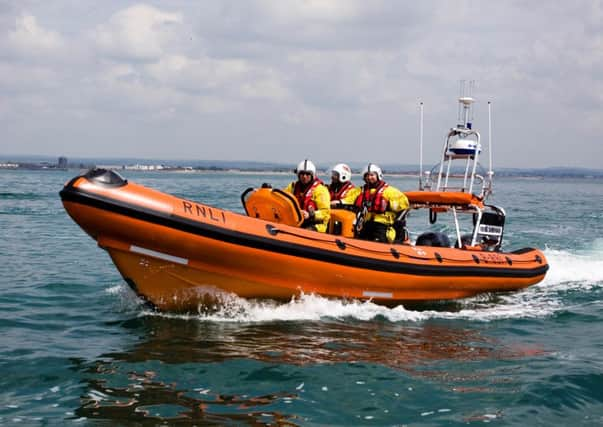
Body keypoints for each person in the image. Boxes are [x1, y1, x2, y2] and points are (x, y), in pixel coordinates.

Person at [341, 163, 409, 243]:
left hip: (383, 225)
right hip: (366, 224)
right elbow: (346, 200)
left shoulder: (390, 192)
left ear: (378, 175)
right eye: (367, 175)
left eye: (372, 175)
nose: (369, 178)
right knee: (360, 239)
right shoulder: (359, 191)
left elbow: (403, 208)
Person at [284, 159, 331, 233]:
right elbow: (282, 198)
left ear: (312, 175)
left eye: (307, 174)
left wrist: (310, 215)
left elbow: (325, 213)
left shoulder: (321, 190)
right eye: (302, 174)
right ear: (298, 175)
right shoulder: (293, 187)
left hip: (315, 224)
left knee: (306, 231)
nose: (304, 177)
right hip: (296, 221)